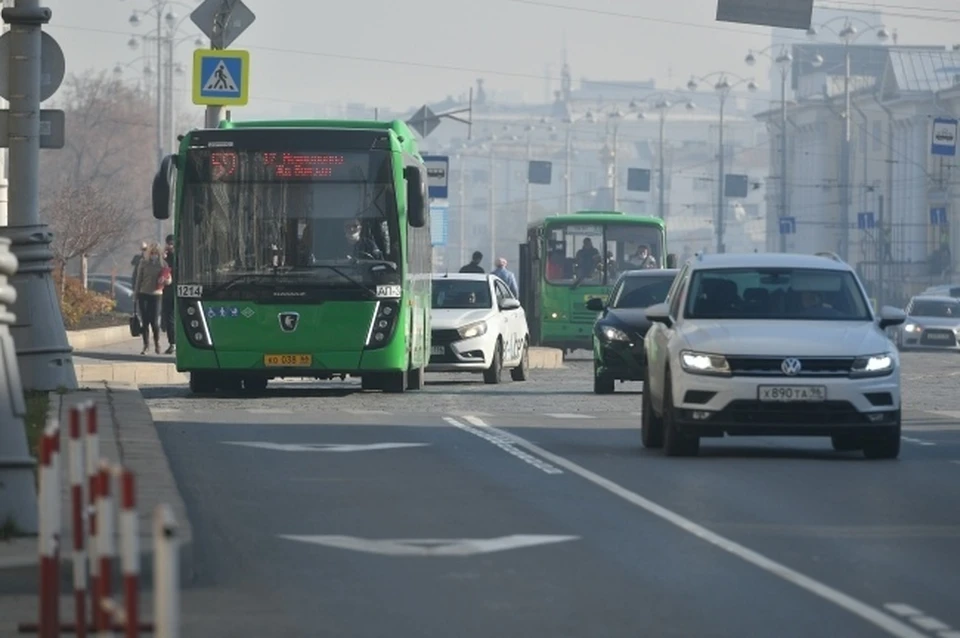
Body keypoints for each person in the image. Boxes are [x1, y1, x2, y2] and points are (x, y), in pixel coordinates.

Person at [134, 242, 169, 355]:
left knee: (154, 321)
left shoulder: (163, 264)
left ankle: (157, 343)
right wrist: (135, 295)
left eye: (156, 253)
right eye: (152, 253)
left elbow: (169, 280)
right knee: (145, 321)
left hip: (157, 294)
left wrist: (165, 280)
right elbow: (138, 279)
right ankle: (146, 345)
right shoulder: (143, 263)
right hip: (144, 293)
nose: (153, 255)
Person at [161, 234, 176, 354]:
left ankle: (175, 343)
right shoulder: (164, 258)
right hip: (168, 292)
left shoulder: (181, 255)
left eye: (172, 244)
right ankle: (173, 343)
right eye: (169, 244)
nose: (170, 246)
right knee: (169, 318)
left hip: (177, 291)